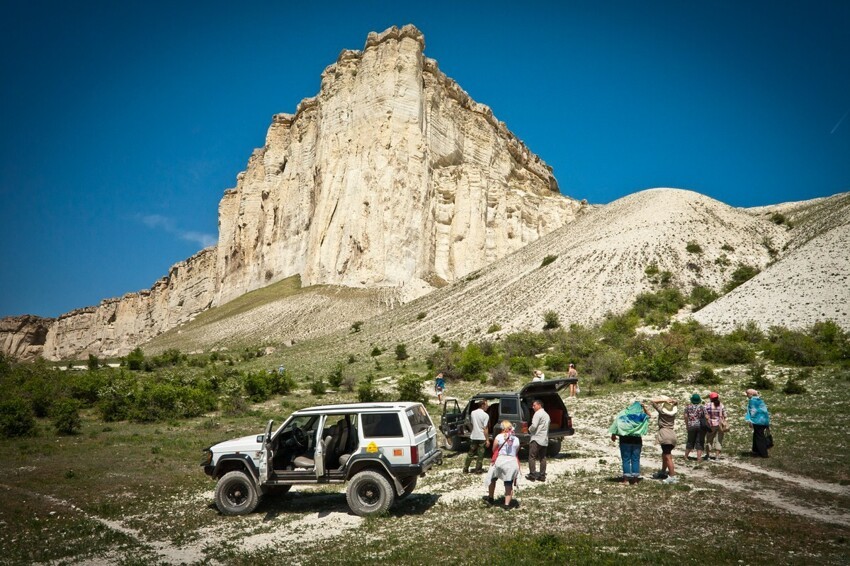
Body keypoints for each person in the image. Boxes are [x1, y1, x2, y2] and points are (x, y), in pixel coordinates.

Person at [608, 401, 650, 485]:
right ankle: (635, 480)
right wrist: (644, 407)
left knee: (626, 460)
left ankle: (626, 480)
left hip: (625, 440)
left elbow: (617, 423)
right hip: (637, 441)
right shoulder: (641, 416)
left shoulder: (623, 414)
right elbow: (649, 415)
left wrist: (613, 434)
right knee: (635, 459)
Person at [484, 420, 521, 509]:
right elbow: (517, 450)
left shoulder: (499, 437)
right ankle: (507, 504)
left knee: (492, 477)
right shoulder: (516, 439)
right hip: (512, 461)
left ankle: (491, 497)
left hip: (501, 460)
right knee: (508, 482)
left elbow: (494, 449)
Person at [648, 396, 679, 484]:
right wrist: (673, 401)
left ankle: (672, 476)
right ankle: (663, 471)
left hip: (664, 434)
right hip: (672, 433)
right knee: (665, 454)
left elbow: (652, 401)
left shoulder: (662, 411)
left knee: (667, 456)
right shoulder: (673, 414)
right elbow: (677, 403)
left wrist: (665, 400)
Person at [526, 399, 550, 482]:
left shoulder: (537, 414)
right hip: (544, 439)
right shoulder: (546, 415)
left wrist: (529, 429)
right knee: (542, 457)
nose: (532, 407)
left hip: (536, 438)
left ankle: (532, 475)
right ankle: (542, 475)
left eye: (534, 405)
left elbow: (534, 426)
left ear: (539, 405)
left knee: (532, 457)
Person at [464, 399, 490, 474]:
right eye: (486, 405)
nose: (487, 407)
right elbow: (485, 428)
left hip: (474, 436)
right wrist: (487, 439)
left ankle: (465, 468)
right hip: (481, 437)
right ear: (482, 405)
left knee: (470, 453)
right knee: (480, 454)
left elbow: (472, 423)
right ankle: (478, 470)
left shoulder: (473, 413)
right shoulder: (486, 415)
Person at [745, 389, 771, 457]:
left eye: (747, 394)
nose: (747, 395)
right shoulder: (760, 400)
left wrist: (749, 420)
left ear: (750, 394)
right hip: (764, 421)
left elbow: (751, 411)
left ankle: (763, 453)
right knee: (757, 435)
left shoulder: (752, 401)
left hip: (757, 421)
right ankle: (755, 450)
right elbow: (765, 411)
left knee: (759, 437)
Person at [683, 393, 708, 463]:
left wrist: (687, 425)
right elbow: (706, 417)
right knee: (700, 441)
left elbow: (685, 416)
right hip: (700, 426)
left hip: (691, 425)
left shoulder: (687, 407)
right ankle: (699, 458)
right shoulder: (702, 407)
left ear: (692, 400)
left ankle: (686, 456)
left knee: (690, 441)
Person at [704, 392, 728, 460]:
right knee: (719, 440)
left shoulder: (707, 405)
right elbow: (725, 415)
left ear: (710, 398)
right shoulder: (721, 405)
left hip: (710, 425)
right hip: (720, 425)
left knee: (709, 440)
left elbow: (704, 414)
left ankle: (708, 455)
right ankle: (717, 456)